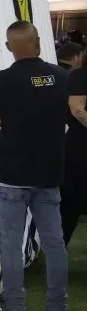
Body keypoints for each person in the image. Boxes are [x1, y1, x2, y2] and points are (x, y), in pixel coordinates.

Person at [0, 21, 69, 311]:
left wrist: (14, 119)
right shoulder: (61, 77)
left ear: (8, 47)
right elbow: (67, 115)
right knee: (55, 243)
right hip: (48, 173)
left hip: (10, 174)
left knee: (11, 244)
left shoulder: (2, 80)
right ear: (39, 42)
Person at [63, 42, 87, 245]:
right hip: (80, 145)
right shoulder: (80, 75)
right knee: (71, 203)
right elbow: (77, 109)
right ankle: (57, 256)